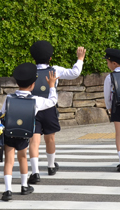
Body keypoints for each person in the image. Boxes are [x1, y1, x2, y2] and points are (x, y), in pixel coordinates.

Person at [0, 63, 58, 201]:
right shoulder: (36, 100)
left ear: (17, 83)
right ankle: (24, 186)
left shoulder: (9, 98)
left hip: (9, 134)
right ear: (33, 85)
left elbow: (0, 115)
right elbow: (53, 101)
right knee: (23, 158)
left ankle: (8, 190)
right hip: (24, 135)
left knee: (9, 162)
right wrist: (52, 85)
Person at [28, 41, 86, 184]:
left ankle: (35, 172)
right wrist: (80, 59)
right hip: (49, 108)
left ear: (33, 58)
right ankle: (51, 166)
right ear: (50, 58)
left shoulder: (29, 71)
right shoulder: (55, 70)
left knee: (34, 142)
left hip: (32, 109)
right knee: (50, 138)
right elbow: (74, 73)